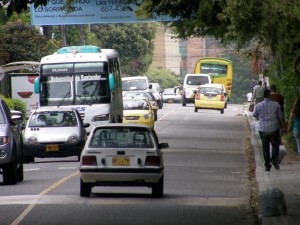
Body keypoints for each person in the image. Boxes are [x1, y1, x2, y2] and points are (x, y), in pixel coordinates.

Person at [253, 89, 287, 171]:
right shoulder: (276, 105)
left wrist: (260, 119)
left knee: (265, 147)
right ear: (269, 95)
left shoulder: (258, 105)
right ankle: (274, 161)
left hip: (262, 129)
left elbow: (254, 115)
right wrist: (283, 126)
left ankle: (267, 166)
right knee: (275, 146)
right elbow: (281, 117)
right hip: (274, 128)